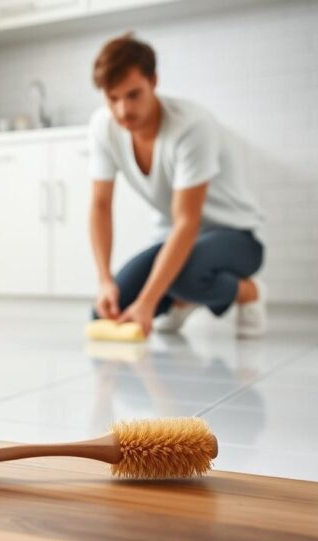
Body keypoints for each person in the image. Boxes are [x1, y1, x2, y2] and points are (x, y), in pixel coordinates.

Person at [88, 33, 267, 338]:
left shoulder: (191, 126)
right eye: (112, 98)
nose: (122, 111)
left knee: (182, 278)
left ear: (154, 81)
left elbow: (187, 220)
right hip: (176, 238)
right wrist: (105, 281)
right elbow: (100, 205)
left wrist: (147, 302)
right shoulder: (104, 126)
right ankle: (181, 301)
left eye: (133, 95)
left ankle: (249, 293)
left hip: (235, 236)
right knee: (105, 312)